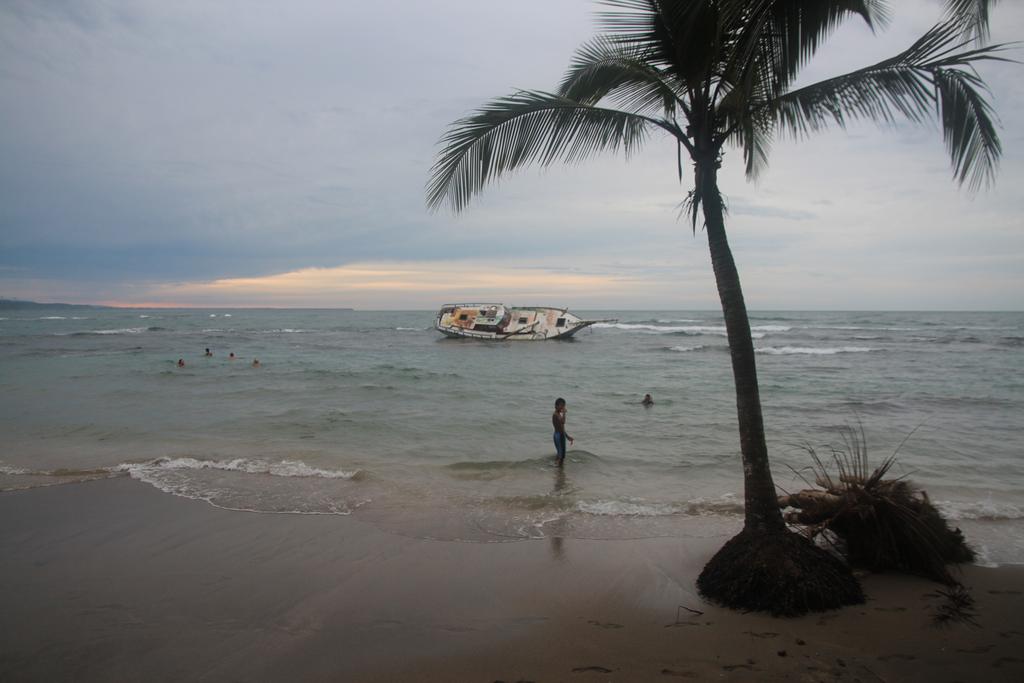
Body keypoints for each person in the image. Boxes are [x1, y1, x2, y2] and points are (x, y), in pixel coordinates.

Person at [552, 397, 574, 466]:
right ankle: (555, 467)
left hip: (562, 434)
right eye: (561, 406)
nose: (563, 407)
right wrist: (564, 413)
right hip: (557, 435)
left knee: (563, 455)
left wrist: (567, 437)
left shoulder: (559, 414)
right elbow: (563, 422)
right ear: (556, 406)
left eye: (564, 406)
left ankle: (560, 470)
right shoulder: (555, 414)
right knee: (560, 453)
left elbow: (562, 428)